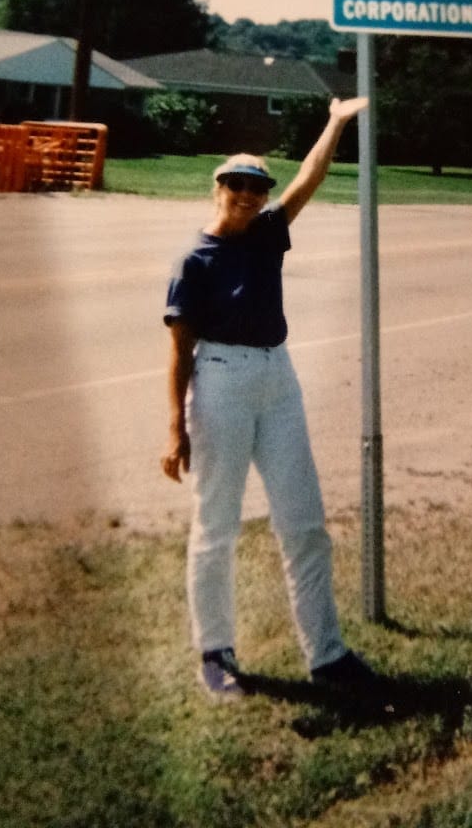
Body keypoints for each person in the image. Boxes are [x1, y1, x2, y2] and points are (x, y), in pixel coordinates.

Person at [161, 95, 377, 701]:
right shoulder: (193, 259)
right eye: (238, 183)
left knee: (304, 523)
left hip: (278, 380)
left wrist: (334, 122)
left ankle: (327, 654)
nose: (250, 194)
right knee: (217, 524)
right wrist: (175, 428)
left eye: (258, 185)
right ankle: (216, 652)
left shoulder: (268, 234)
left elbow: (310, 177)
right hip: (221, 380)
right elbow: (180, 350)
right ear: (218, 186)